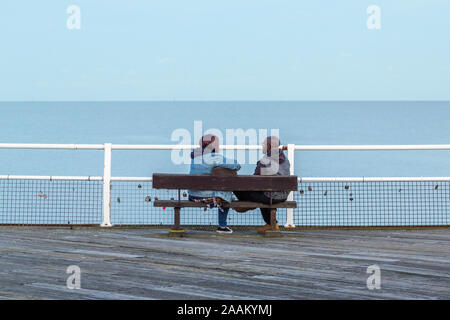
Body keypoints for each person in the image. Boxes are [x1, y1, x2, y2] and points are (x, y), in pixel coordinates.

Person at [233, 136, 290, 234]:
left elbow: (256, 178)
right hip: (283, 195)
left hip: (271, 196)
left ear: (268, 146)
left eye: (263, 144)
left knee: (236, 187)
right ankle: (270, 223)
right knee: (262, 193)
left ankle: (245, 205)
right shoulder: (285, 159)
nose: (262, 146)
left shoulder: (266, 159)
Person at [188, 134, 241, 234]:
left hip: (193, 195)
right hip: (206, 197)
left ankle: (222, 226)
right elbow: (236, 165)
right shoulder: (214, 157)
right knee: (226, 196)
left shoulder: (195, 156)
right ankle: (222, 226)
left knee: (222, 194)